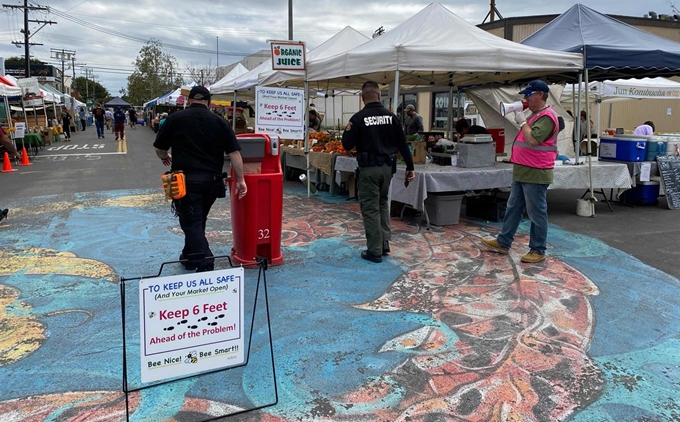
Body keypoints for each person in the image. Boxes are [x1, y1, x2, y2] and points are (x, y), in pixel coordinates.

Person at [153, 86, 247, 273]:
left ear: (189, 101)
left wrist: (165, 158)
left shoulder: (175, 119)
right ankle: (189, 256)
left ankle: (206, 262)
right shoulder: (219, 122)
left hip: (184, 182)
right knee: (197, 220)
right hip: (212, 182)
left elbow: (159, 148)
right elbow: (234, 153)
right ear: (209, 102)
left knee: (191, 221)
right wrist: (241, 179)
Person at [482, 80, 559, 264]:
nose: (525, 98)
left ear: (540, 94)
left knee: (536, 212)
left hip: (536, 171)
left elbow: (533, 140)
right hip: (524, 170)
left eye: (529, 94)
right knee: (514, 208)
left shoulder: (547, 116)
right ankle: (503, 241)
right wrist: (524, 121)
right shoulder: (536, 115)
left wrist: (522, 121)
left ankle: (538, 249)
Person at [341, 81, 415, 263]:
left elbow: (346, 144)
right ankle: (384, 243)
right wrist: (410, 167)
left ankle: (374, 250)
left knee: (370, 208)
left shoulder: (358, 118)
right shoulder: (392, 117)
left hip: (369, 169)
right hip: (387, 169)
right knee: (382, 204)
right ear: (379, 96)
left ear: (362, 97)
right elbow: (403, 144)